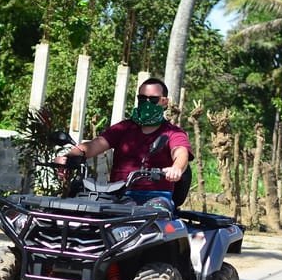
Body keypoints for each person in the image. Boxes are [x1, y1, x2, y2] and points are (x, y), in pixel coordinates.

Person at [55, 78, 191, 205]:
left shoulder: (173, 132)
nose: (147, 103)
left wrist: (176, 168)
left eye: (153, 99)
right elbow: (94, 145)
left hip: (156, 197)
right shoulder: (124, 128)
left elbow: (180, 152)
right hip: (118, 195)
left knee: (157, 218)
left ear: (164, 102)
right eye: (142, 98)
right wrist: (69, 157)